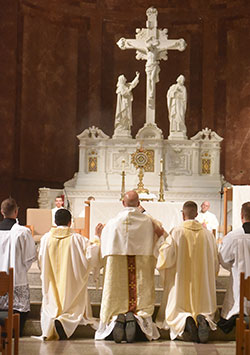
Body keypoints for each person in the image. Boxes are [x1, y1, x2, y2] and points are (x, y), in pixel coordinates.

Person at [95, 190, 164, 343]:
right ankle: (138, 317)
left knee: (116, 294)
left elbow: (102, 247)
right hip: (142, 262)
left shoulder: (112, 223)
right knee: (140, 293)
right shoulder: (149, 222)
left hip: (116, 263)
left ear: (123, 203)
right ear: (139, 204)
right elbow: (160, 237)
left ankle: (117, 318)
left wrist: (99, 236)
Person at [156, 201, 219, 343]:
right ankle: (203, 317)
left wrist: (161, 241)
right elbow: (215, 261)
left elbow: (166, 256)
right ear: (197, 214)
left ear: (183, 214)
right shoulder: (208, 234)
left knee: (178, 308)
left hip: (181, 281)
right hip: (202, 284)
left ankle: (185, 319)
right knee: (204, 307)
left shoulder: (177, 232)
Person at [39, 208, 101, 340]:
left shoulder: (45, 239)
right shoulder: (78, 239)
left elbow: (40, 260)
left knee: (52, 303)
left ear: (55, 222)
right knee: (72, 302)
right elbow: (92, 254)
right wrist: (96, 236)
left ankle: (54, 318)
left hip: (52, 283)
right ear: (70, 222)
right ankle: (65, 320)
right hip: (71, 285)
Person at [0, 197, 37, 336]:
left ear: (2, 212)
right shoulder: (22, 232)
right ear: (16, 211)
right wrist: (20, 270)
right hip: (16, 279)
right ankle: (15, 332)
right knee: (20, 308)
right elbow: (29, 257)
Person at [218, 202, 250, 334]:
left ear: (242, 215)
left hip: (240, 280)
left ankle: (240, 315)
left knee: (238, 301)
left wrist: (233, 267)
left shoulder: (233, 236)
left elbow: (223, 259)